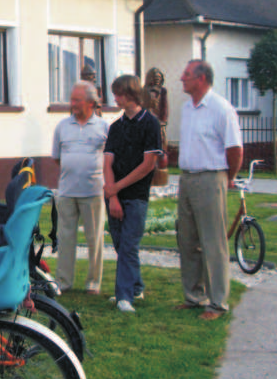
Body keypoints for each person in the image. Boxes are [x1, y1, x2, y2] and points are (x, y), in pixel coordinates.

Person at [174, 60, 243, 321]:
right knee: (188, 240)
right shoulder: (187, 109)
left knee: (213, 242)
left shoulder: (221, 109)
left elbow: (235, 149)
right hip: (187, 178)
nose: (182, 78)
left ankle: (217, 303)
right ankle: (193, 296)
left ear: (201, 79)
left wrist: (229, 177)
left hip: (210, 178)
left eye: (187, 74)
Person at [103, 74, 161, 313]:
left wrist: (118, 187)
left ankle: (124, 296)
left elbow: (148, 164)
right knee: (119, 243)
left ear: (130, 94)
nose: (115, 98)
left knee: (128, 245)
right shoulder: (116, 127)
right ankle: (135, 286)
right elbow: (107, 162)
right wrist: (113, 194)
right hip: (115, 195)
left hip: (137, 195)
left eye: (118, 93)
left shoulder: (151, 123)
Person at [51, 81, 109, 294]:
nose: (72, 103)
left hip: (93, 191)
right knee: (65, 238)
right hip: (67, 191)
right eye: (72, 99)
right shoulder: (62, 126)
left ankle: (93, 283)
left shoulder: (103, 127)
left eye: (77, 100)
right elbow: (57, 157)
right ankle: (64, 282)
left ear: (91, 103)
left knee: (95, 238)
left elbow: (110, 158)